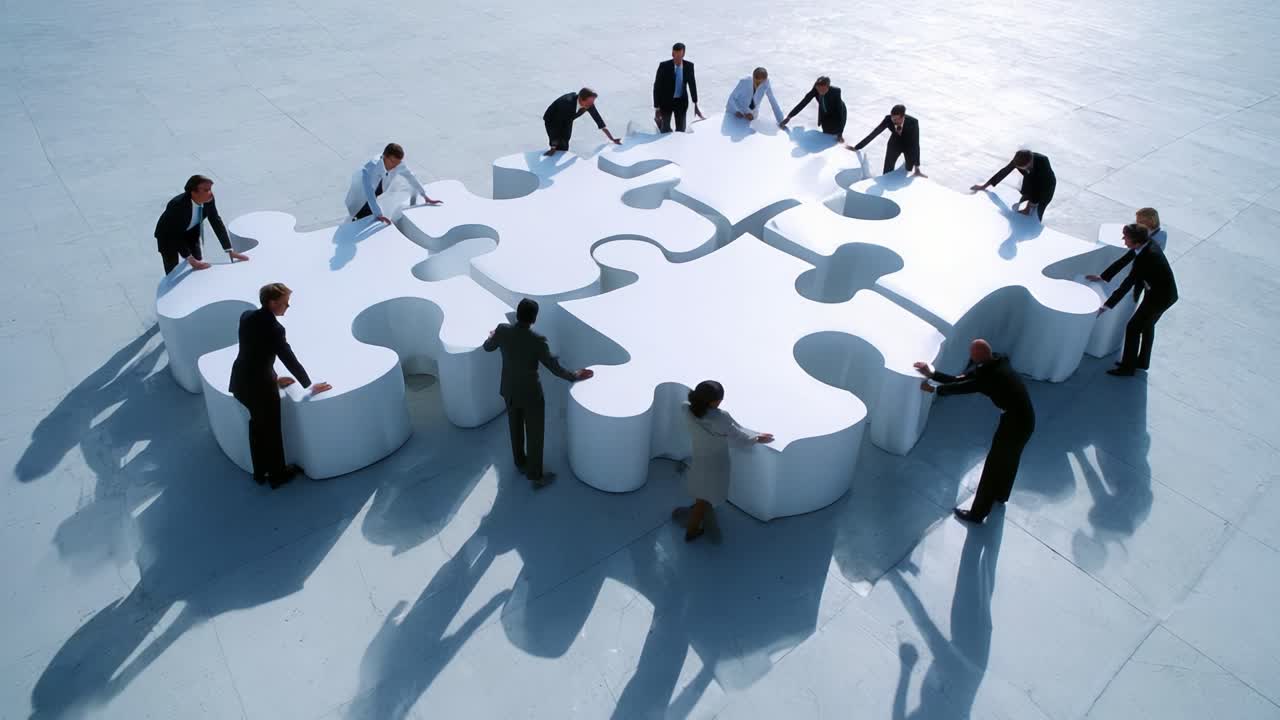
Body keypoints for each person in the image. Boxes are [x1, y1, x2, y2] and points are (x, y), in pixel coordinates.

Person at [915, 340, 1034, 524]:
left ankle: (977, 514)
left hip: (1014, 423)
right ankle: (1001, 495)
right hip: (1025, 419)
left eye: (972, 355)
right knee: (1010, 459)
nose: (970, 357)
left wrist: (933, 388)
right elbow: (960, 380)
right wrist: (932, 373)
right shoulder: (997, 361)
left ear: (978, 356)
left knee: (993, 467)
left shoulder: (991, 377)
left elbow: (963, 387)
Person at [228, 283, 332, 488]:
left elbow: (254, 351)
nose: (288, 307)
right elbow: (288, 358)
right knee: (271, 429)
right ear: (272, 303)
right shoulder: (275, 329)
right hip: (260, 387)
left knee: (257, 426)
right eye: (285, 303)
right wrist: (309, 385)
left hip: (241, 380)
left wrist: (275, 379)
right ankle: (277, 475)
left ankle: (260, 473)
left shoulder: (246, 316)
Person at [483, 298, 593, 487]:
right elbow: (554, 367)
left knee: (515, 428)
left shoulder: (502, 330)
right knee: (534, 434)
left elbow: (487, 347)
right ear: (534, 319)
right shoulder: (537, 341)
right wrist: (574, 376)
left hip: (509, 390)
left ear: (517, 314)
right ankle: (535, 476)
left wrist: (492, 336)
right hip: (531, 395)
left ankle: (520, 462)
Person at [678, 381, 773, 542]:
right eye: (719, 399)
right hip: (715, 462)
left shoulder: (686, 407)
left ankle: (699, 506)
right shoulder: (720, 418)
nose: (721, 402)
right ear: (712, 401)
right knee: (706, 495)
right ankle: (692, 530)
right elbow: (737, 438)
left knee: (701, 486)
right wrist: (757, 438)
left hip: (700, 455)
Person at [1086, 223, 1179, 376]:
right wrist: (1103, 277)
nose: (1123, 240)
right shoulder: (1145, 244)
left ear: (1136, 242)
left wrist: (1106, 306)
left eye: (1126, 238)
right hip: (1161, 292)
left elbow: (1127, 283)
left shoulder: (1146, 258)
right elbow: (1125, 260)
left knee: (1134, 328)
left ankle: (1127, 368)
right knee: (1147, 326)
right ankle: (1142, 362)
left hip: (1160, 297)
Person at [154, 175, 250, 274]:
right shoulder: (177, 205)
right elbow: (175, 234)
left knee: (199, 261)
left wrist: (229, 250)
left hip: (190, 232)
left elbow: (215, 220)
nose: (210, 193)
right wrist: (190, 259)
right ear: (193, 192)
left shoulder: (208, 199)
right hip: (168, 236)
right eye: (206, 190)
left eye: (210, 189)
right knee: (172, 270)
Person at [345, 143, 442, 225]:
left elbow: (411, 177)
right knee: (360, 216)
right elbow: (369, 193)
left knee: (373, 214)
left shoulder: (398, 164)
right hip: (363, 194)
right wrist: (378, 214)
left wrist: (425, 195)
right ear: (384, 157)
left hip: (379, 191)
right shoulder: (371, 168)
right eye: (392, 162)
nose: (394, 166)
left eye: (397, 163)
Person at [971, 149, 1056, 220]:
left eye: (1026, 167)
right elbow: (1004, 172)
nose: (1023, 169)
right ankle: (1028, 205)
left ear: (1030, 162)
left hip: (1047, 184)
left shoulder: (1043, 161)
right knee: (1026, 190)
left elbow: (1039, 186)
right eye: (1022, 168)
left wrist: (1029, 206)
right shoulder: (1018, 159)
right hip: (1030, 178)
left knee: (1038, 211)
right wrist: (984, 186)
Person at [850, 104, 926, 177]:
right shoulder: (888, 119)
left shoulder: (913, 122)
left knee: (909, 168)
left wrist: (917, 167)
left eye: (896, 119)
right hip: (894, 144)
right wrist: (857, 147)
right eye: (893, 118)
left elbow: (915, 143)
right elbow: (875, 133)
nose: (894, 121)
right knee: (887, 169)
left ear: (903, 117)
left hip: (908, 145)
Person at [542, 88, 622, 156]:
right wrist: (553, 146)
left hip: (568, 118)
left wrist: (612, 139)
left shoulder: (588, 104)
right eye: (589, 102)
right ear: (581, 99)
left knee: (565, 139)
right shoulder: (566, 103)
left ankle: (561, 152)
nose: (591, 104)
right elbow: (556, 127)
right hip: (552, 119)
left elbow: (598, 119)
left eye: (592, 102)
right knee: (559, 139)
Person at [653, 42, 703, 133]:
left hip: (681, 103)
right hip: (665, 103)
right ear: (672, 54)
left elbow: (692, 84)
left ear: (683, 54)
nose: (677, 58)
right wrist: (657, 108)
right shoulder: (664, 66)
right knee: (665, 130)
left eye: (680, 55)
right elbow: (657, 87)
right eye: (675, 55)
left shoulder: (689, 66)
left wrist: (695, 103)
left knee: (681, 130)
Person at [780, 76, 847, 142]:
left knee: (835, 134)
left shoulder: (836, 91)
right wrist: (789, 117)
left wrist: (840, 133)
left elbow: (840, 113)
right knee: (827, 132)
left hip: (837, 111)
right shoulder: (815, 90)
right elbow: (803, 103)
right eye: (818, 89)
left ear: (828, 87)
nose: (820, 92)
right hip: (825, 112)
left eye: (823, 90)